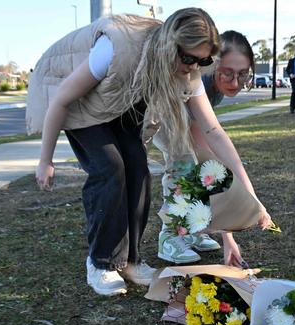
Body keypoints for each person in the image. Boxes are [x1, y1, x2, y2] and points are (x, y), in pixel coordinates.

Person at [26, 8, 272, 296]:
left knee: (138, 171)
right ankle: (101, 262)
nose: (193, 67)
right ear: (170, 45)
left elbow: (214, 133)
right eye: (189, 59)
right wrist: (46, 160)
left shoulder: (187, 70)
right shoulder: (117, 48)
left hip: (119, 100)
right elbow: (61, 99)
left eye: (203, 61)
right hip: (77, 102)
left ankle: (130, 260)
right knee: (110, 168)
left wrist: (253, 201)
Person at [154, 30, 255, 267]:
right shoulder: (200, 80)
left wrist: (249, 194)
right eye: (227, 73)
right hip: (158, 117)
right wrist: (228, 235)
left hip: (180, 118)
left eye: (243, 74)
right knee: (185, 166)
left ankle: (194, 230)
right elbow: (207, 155)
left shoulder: (215, 87)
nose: (235, 83)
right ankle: (170, 237)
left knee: (198, 167)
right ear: (213, 62)